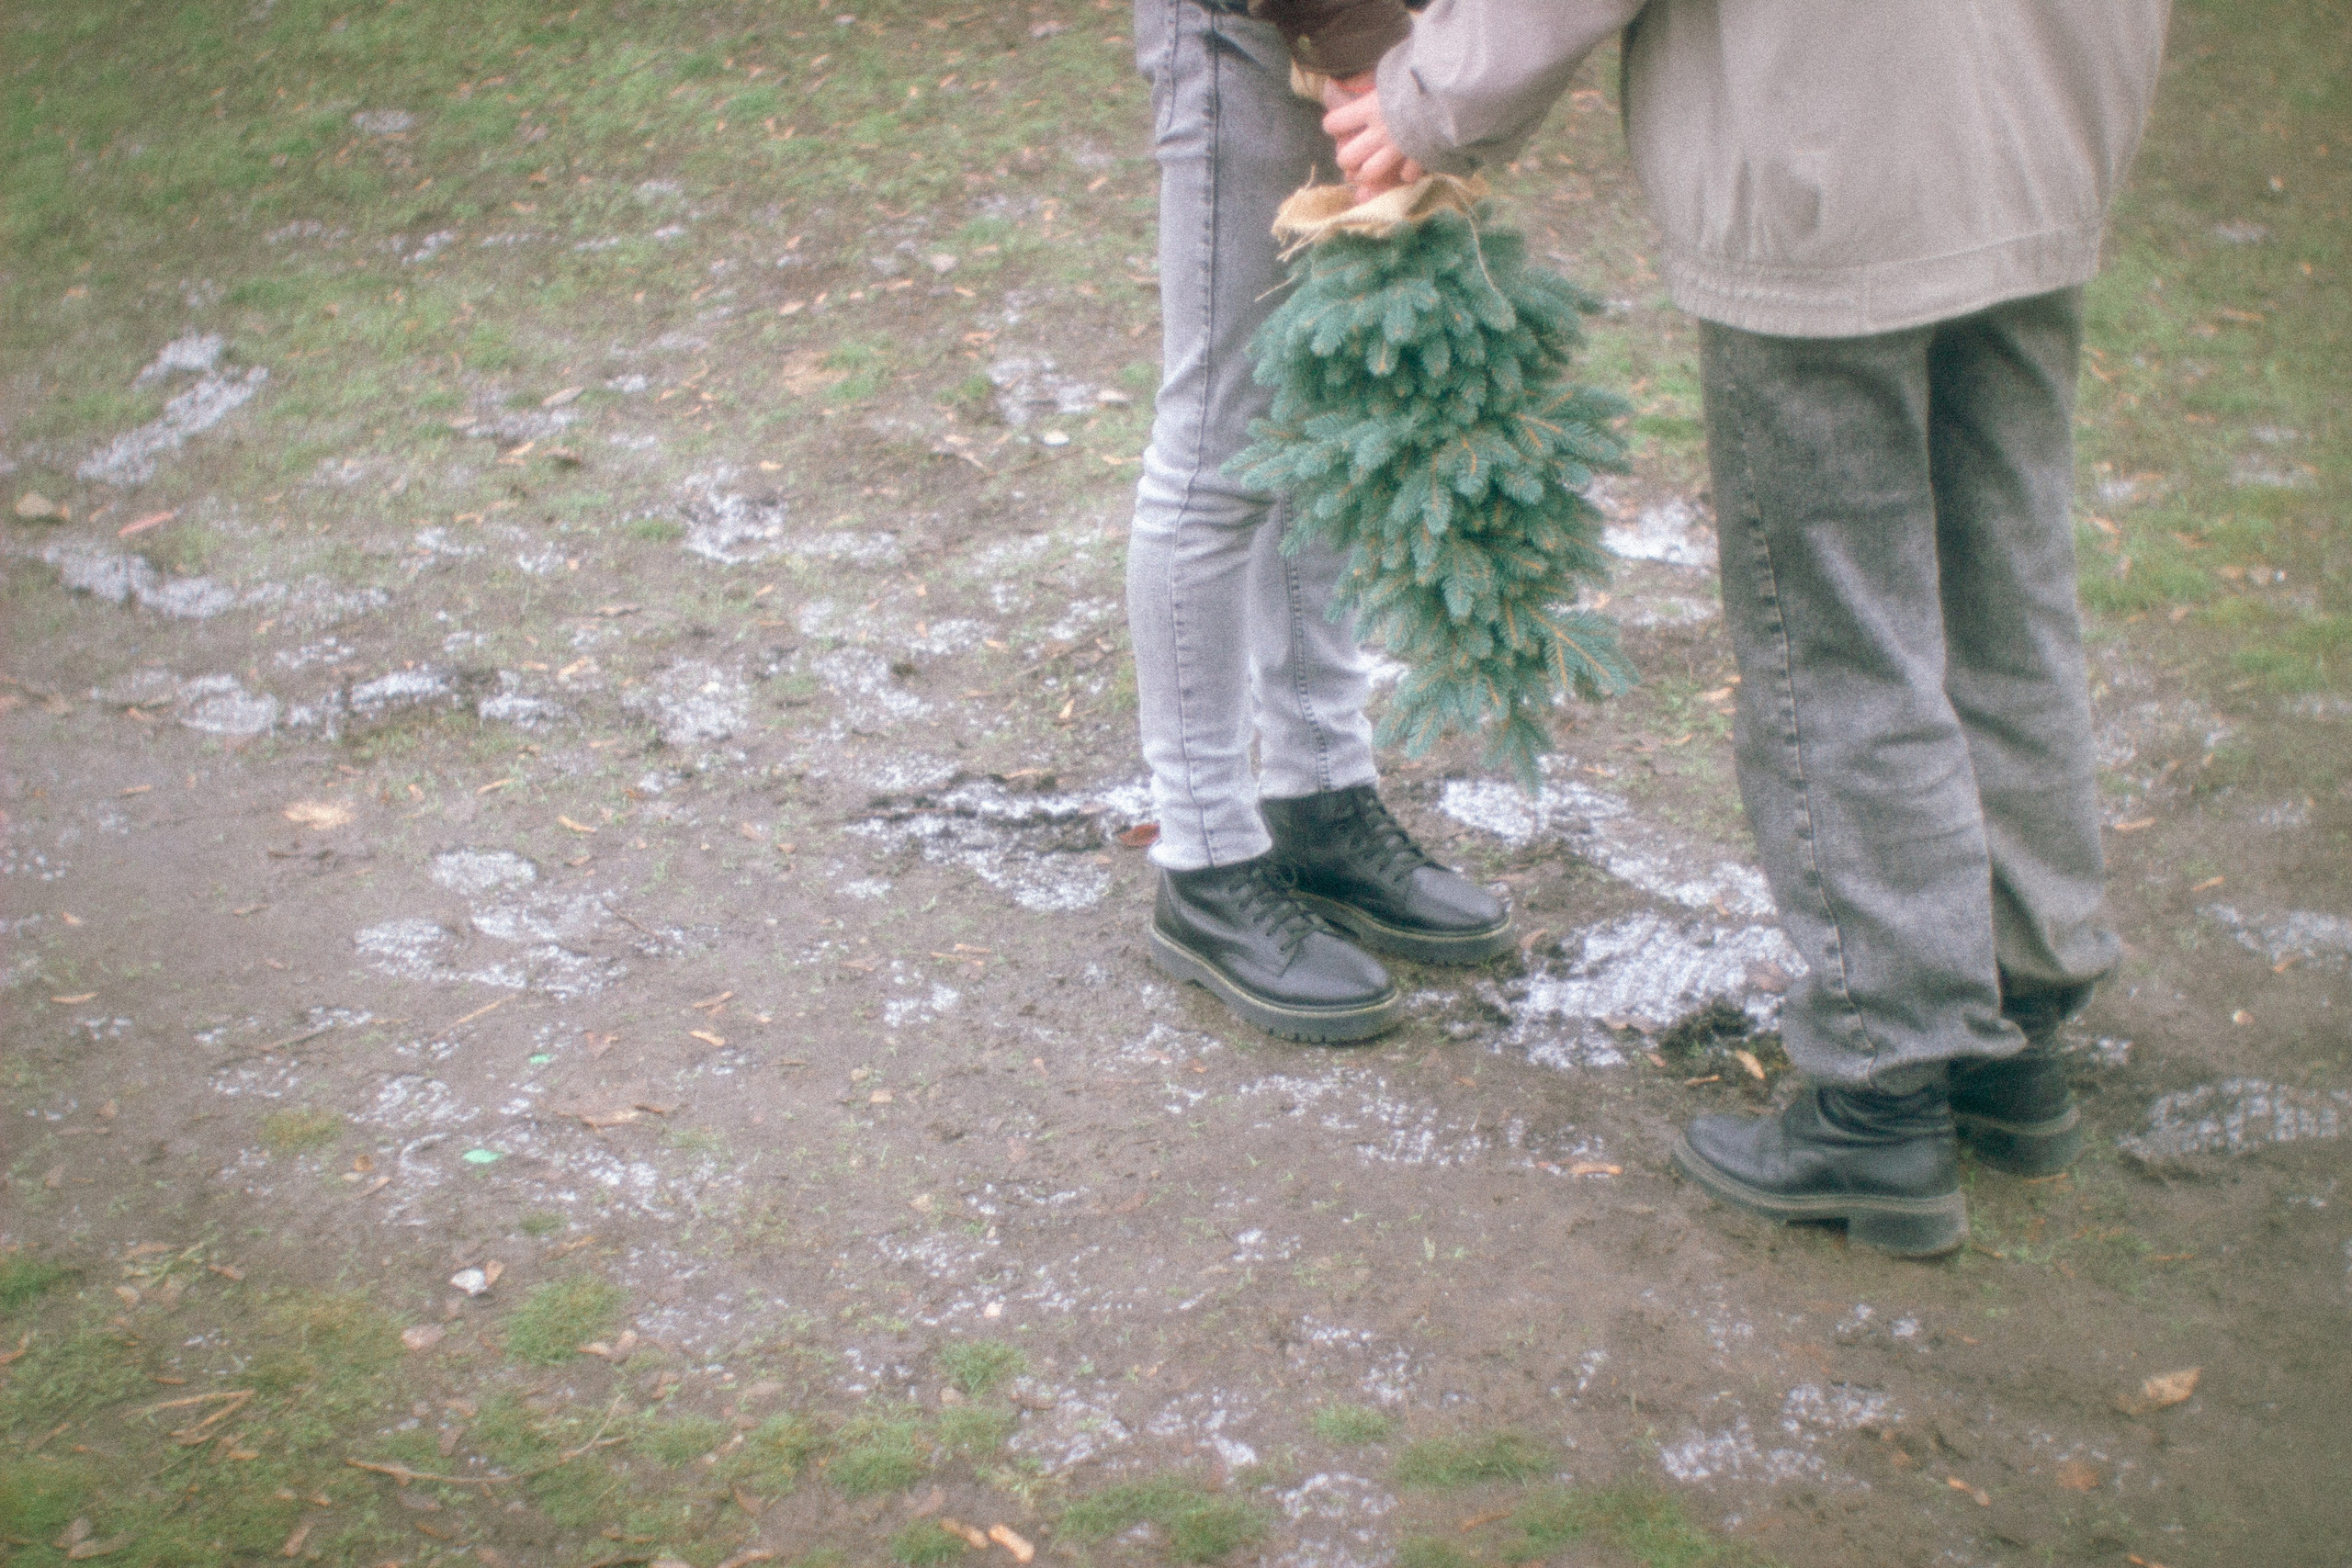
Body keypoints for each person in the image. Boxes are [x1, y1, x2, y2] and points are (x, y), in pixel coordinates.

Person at [1323, 0, 2168, 1254]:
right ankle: (2015, 1035)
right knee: (2006, 595)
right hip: (2040, 131)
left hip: (1828, 160)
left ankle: (1887, 1087)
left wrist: (1431, 95)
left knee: (1839, 638)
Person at [1126, 0, 1516, 1045]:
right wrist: (1355, 48)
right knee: (1218, 445)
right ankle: (1204, 861)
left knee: (1326, 418)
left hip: (1373, 36)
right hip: (1257, 28)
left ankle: (1320, 799)